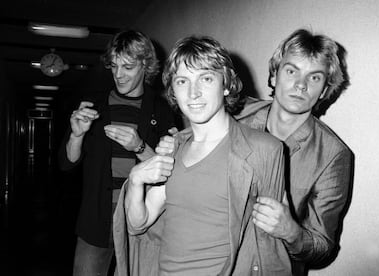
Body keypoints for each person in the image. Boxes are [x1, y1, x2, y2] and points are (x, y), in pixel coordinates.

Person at [156, 29, 354, 275]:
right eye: (291, 71)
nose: (300, 85)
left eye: (314, 78)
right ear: (273, 76)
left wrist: (291, 232)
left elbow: (324, 247)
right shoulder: (236, 114)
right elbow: (194, 142)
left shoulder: (333, 156)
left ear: (324, 90)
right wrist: (172, 145)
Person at [113, 36, 292, 275]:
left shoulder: (265, 149)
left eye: (205, 78)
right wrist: (135, 180)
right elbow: (138, 223)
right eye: (182, 81)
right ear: (173, 91)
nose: (193, 93)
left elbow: (270, 247)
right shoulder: (173, 148)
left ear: (226, 84)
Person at [58, 30, 178, 276]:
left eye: (128, 67)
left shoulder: (162, 109)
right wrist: (77, 135)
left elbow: (172, 172)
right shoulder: (94, 104)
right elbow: (66, 164)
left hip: (141, 224)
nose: (118, 75)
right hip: (96, 223)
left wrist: (140, 147)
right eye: (114, 66)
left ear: (145, 65)